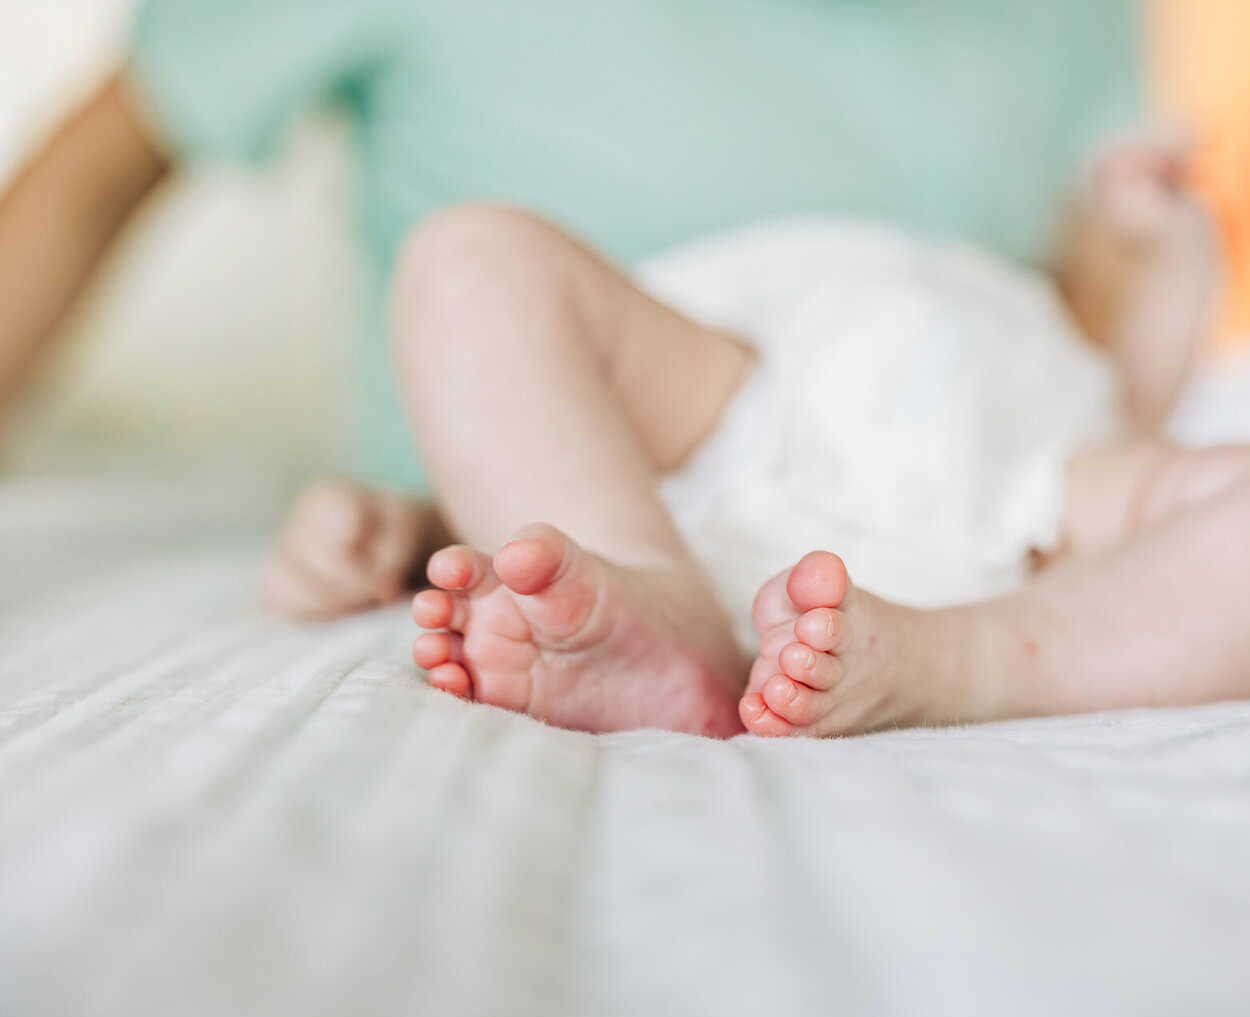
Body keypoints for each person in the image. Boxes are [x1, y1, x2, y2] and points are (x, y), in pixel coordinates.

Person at [0, 0, 1144, 617]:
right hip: (507, 531)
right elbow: (96, 171)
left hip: (939, 526)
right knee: (483, 272)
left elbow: (1085, 317)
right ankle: (645, 598)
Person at [397, 137, 1250, 739]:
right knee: (467, 258)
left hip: (1038, 505)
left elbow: (1141, 393)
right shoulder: (725, 335)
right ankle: (655, 606)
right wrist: (373, 522)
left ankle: (956, 661)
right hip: (720, 407)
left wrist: (1172, 250)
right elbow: (506, 424)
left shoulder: (1056, 359)